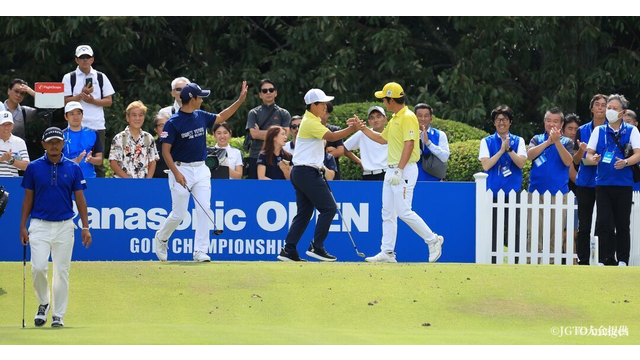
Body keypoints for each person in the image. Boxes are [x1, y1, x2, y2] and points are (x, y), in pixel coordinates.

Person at [155, 81, 248, 262]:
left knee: (205, 209)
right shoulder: (173, 123)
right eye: (200, 97)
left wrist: (240, 100)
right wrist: (177, 173)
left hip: (201, 169)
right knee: (179, 214)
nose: (202, 100)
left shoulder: (201, 115)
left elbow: (221, 117)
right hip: (180, 168)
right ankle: (162, 237)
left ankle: (200, 251)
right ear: (192, 99)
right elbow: (165, 151)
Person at [356, 82, 444, 263]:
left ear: (391, 100)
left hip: (403, 169)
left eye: (384, 99)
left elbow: (410, 144)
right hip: (393, 170)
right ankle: (387, 252)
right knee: (387, 212)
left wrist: (399, 170)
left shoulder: (408, 117)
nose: (383, 103)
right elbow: (381, 139)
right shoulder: (396, 117)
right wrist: (362, 128)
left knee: (403, 211)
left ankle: (433, 240)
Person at [20, 127, 92, 328]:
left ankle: (58, 315)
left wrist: (85, 227)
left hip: (64, 226)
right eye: (50, 142)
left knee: (62, 271)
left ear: (63, 144)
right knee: (39, 268)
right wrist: (22, 226)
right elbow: (28, 199)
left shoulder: (73, 168)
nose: (54, 146)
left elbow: (80, 198)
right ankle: (44, 303)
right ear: (43, 144)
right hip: (39, 225)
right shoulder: (34, 168)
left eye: (57, 142)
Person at [278, 88, 359, 262]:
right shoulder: (310, 121)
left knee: (304, 213)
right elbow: (331, 136)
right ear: (313, 105)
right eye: (322, 103)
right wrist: (352, 128)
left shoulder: (312, 120)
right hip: (306, 172)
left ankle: (289, 249)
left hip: (302, 172)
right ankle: (317, 246)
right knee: (329, 208)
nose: (325, 106)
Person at [586, 94, 640, 267]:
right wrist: (592, 158)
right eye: (609, 108)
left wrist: (625, 162)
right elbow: (588, 153)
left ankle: (623, 259)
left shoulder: (632, 131)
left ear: (623, 113)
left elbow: (638, 154)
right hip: (602, 183)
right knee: (603, 222)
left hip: (623, 184)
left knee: (622, 223)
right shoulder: (598, 131)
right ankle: (603, 258)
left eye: (614, 108)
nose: (609, 111)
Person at [478, 106, 527, 262]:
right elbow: (486, 165)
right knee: (493, 229)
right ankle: (493, 260)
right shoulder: (486, 142)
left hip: (513, 192)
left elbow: (521, 164)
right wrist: (500, 151)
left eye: (505, 120)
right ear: (494, 123)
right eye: (498, 120)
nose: (501, 123)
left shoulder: (519, 141)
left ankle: (516, 260)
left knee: (515, 229)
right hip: (492, 192)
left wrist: (509, 149)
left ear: (510, 122)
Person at [527, 107, 575, 262]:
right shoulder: (536, 139)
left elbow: (568, 161)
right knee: (534, 229)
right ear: (544, 122)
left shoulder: (567, 142)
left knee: (556, 230)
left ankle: (552, 261)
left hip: (559, 192)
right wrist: (548, 142)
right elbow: (530, 155)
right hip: (536, 191)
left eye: (555, 121)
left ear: (561, 124)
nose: (551, 124)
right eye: (548, 120)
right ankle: (531, 260)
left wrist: (557, 142)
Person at [62, 45, 115, 178]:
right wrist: (81, 95)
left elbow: (109, 101)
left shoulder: (100, 76)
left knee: (98, 163)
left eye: (87, 57)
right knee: (71, 157)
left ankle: (98, 195)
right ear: (76, 60)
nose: (85, 60)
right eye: (81, 57)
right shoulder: (69, 77)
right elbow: (64, 100)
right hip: (74, 125)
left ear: (92, 59)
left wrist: (92, 101)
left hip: (96, 124)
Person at [574, 94, 608, 265]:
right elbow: (575, 159)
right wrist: (582, 150)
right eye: (598, 104)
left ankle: (604, 258)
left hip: (605, 181)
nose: (601, 108)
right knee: (584, 224)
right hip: (586, 182)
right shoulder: (582, 130)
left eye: (604, 105)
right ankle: (583, 259)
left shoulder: (612, 130)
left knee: (604, 223)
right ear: (592, 108)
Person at [246, 79, 291, 179]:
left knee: (278, 187)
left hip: (277, 156)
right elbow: (254, 134)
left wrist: (260, 132)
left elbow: (285, 134)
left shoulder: (283, 113)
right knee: (256, 190)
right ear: (260, 94)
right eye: (264, 91)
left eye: (271, 90)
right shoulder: (253, 113)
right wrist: (276, 133)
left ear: (276, 93)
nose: (268, 93)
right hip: (255, 154)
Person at [109, 101, 159, 178]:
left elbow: (152, 162)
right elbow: (113, 163)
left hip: (142, 184)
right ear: (127, 117)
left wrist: (147, 182)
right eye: (134, 115)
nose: (137, 118)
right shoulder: (119, 138)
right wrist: (129, 181)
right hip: (123, 184)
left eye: (140, 115)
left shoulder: (148, 138)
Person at [343, 105, 388, 180]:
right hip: (368, 175)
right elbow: (344, 148)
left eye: (378, 116)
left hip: (387, 173)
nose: (375, 120)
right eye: (372, 118)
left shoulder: (392, 133)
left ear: (385, 119)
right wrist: (360, 162)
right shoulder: (362, 134)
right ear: (369, 122)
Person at [61, 101, 103, 179]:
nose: (76, 117)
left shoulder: (93, 133)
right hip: (67, 179)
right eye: (72, 114)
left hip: (89, 178)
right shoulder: (61, 135)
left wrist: (91, 159)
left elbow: (99, 160)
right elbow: (56, 161)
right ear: (66, 116)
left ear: (82, 115)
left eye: (78, 113)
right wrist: (76, 160)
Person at [414, 103, 450, 181]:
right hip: (413, 179)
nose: (423, 119)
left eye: (426, 116)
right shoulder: (409, 134)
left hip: (434, 179)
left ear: (431, 118)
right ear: (414, 118)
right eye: (420, 116)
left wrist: (428, 143)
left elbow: (444, 157)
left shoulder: (440, 134)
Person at [0, 111, 30, 177]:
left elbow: (27, 166)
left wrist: (10, 160)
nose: (6, 128)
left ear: (13, 126)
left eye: (9, 124)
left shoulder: (19, 142)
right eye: (3, 124)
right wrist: (2, 159)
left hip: (12, 182)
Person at [320, 102, 345, 180]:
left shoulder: (335, 130)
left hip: (332, 169)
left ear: (329, 114)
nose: (323, 114)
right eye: (321, 110)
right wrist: (328, 151)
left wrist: (325, 153)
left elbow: (340, 151)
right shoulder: (310, 129)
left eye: (326, 112)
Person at [562, 114, 581, 194]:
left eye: (576, 129)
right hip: (565, 189)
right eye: (570, 129)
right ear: (562, 130)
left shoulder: (582, 146)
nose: (573, 132)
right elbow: (572, 174)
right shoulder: (561, 146)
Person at [152, 112, 171, 178]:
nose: (165, 128)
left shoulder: (179, 146)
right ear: (155, 129)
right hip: (156, 183)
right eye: (161, 125)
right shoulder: (151, 146)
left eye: (167, 125)